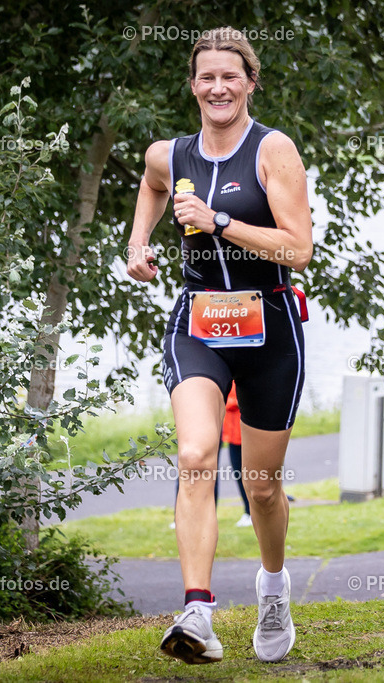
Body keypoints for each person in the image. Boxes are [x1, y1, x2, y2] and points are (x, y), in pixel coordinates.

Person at [126, 27, 312, 665]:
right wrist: (137, 245)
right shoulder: (169, 154)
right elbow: (150, 186)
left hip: (271, 326)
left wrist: (220, 221)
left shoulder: (274, 150)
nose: (218, 87)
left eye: (230, 76)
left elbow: (299, 250)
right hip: (198, 323)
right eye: (206, 76)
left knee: (261, 485)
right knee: (195, 452)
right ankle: (198, 612)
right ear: (193, 85)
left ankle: (272, 587)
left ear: (250, 82)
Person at [222, 386, 252, 527]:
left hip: (249, 435)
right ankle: (248, 511)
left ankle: (252, 512)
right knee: (239, 475)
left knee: (256, 474)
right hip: (233, 436)